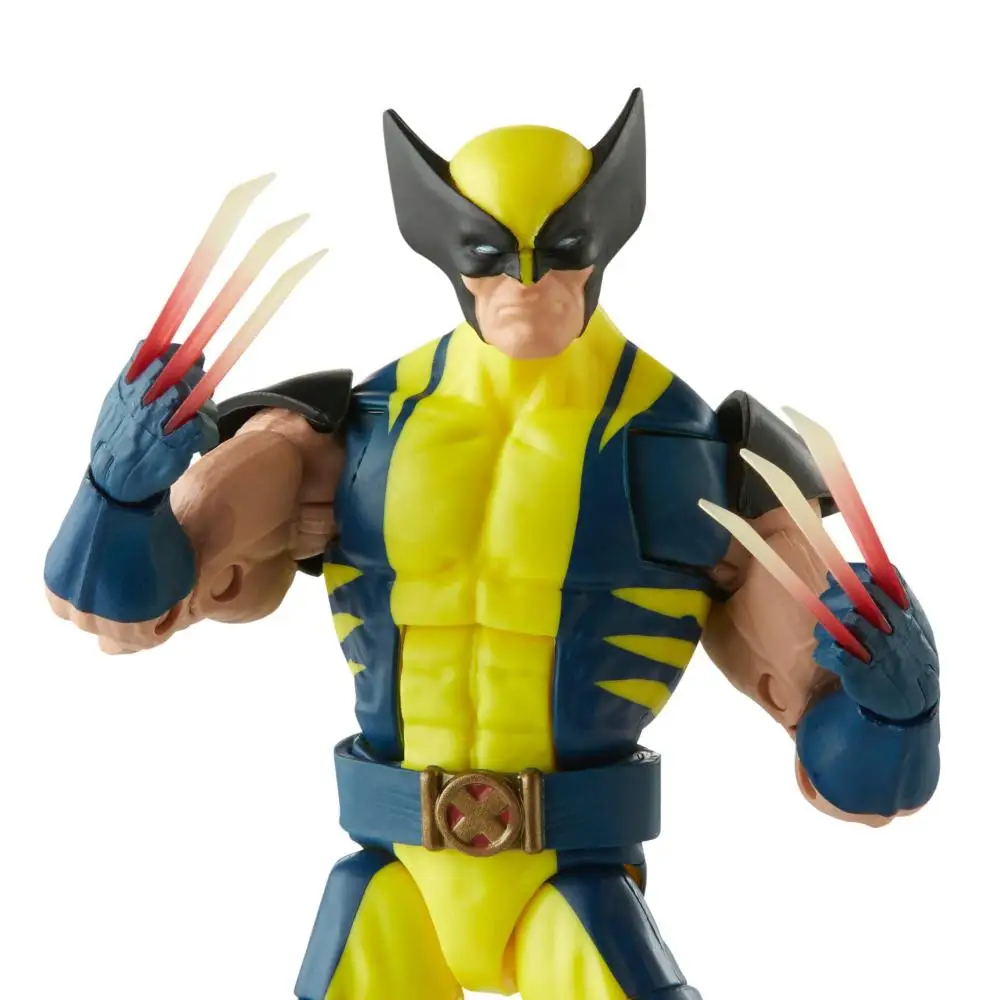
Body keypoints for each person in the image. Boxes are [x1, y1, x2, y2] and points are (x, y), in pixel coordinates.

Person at [45, 88, 940, 1000]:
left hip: (574, 883)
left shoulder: (699, 456)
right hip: (391, 878)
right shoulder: (346, 432)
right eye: (493, 253)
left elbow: (865, 784)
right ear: (444, 248)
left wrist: (898, 715)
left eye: (560, 249)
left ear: (605, 239)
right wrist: (114, 495)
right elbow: (121, 609)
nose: (528, 281)